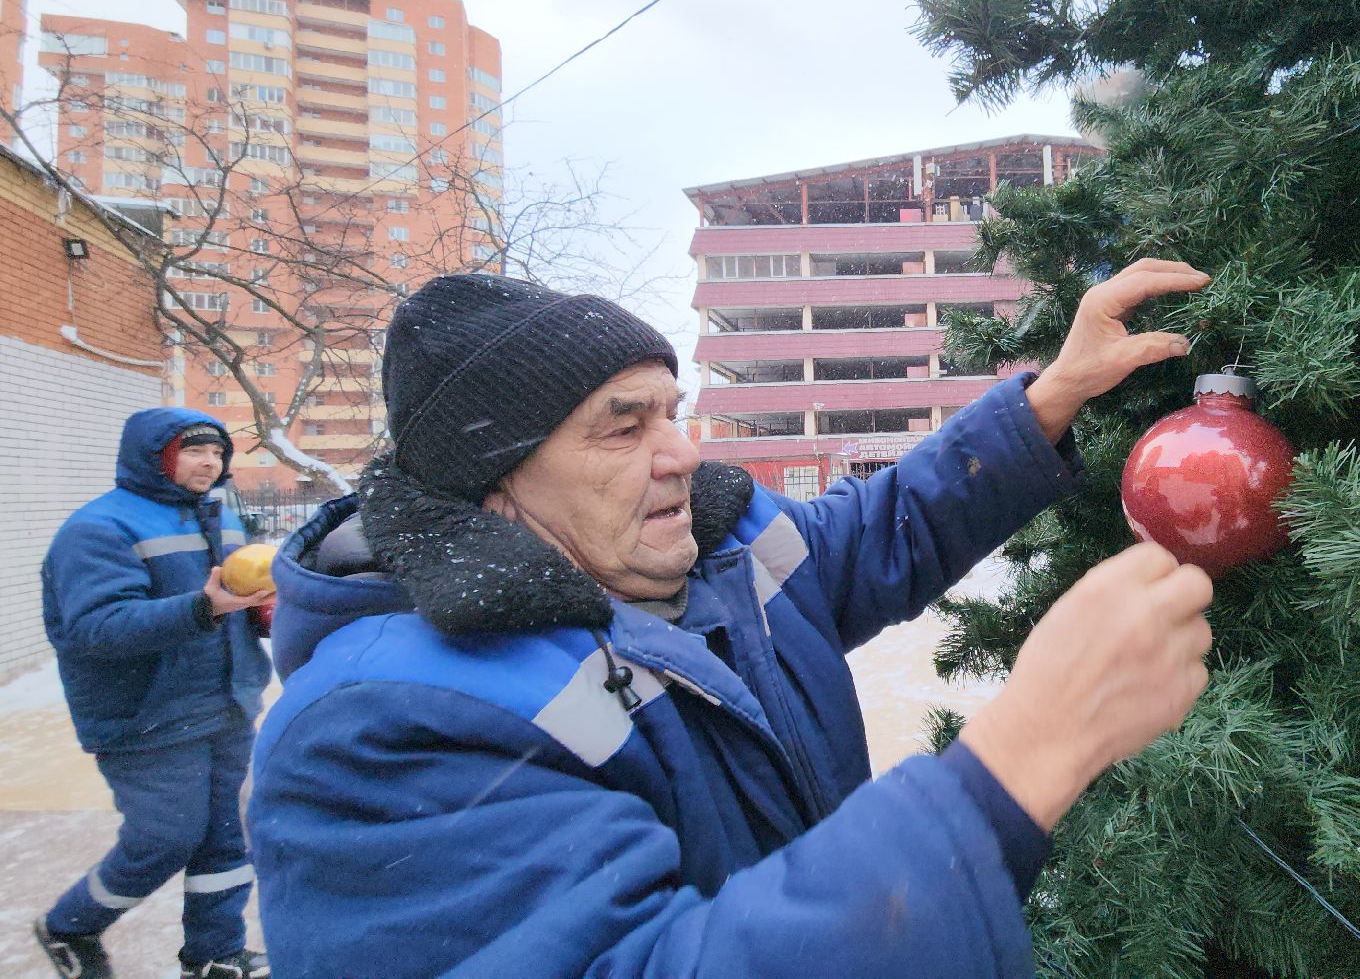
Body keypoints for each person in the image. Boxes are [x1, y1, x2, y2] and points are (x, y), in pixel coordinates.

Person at [248, 265, 1215, 977]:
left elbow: (877, 531)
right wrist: (1020, 762)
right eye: (623, 428)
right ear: (488, 482)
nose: (681, 454)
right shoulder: (380, 734)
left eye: (673, 411)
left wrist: (1056, 393)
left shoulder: (721, 551)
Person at [34, 410, 274, 979]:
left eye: (217, 452)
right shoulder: (98, 529)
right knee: (164, 840)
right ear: (155, 456)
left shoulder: (222, 517)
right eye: (193, 451)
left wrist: (263, 612)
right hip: (146, 714)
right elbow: (97, 628)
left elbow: (234, 606)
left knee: (225, 841)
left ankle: (215, 953)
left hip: (226, 704)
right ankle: (70, 926)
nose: (209, 462)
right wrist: (202, 608)